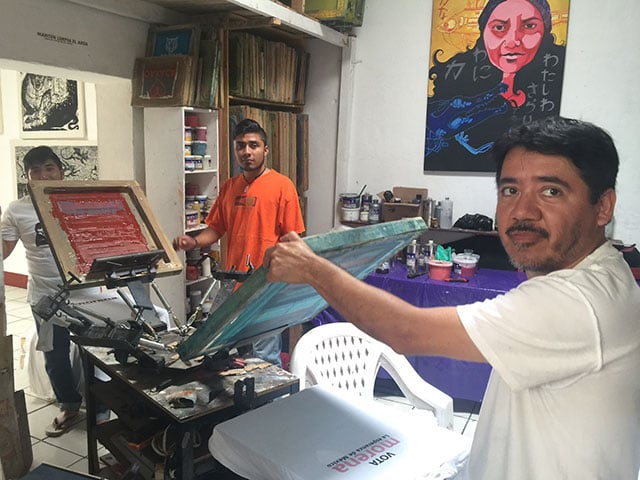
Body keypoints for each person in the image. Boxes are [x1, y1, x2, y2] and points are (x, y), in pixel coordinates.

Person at [265, 117, 640, 478]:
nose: (522, 211)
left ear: (602, 206)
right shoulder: (603, 274)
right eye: (510, 190)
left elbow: (404, 331)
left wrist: (313, 268)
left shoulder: (578, 301)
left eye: (551, 191)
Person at [174, 119, 305, 366]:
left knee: (263, 354)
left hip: (265, 282)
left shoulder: (282, 186)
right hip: (230, 280)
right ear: (235, 150)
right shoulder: (229, 188)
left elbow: (293, 238)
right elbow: (215, 229)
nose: (247, 152)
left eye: (253, 145)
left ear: (265, 149)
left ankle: (270, 402)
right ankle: (231, 401)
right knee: (214, 341)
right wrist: (193, 241)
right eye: (241, 146)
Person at [1, 146, 88, 437]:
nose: (42, 175)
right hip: (44, 297)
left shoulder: (80, 201)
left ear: (61, 172)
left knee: (98, 351)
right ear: (27, 178)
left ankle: (103, 408)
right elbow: (4, 249)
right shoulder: (17, 209)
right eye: (34, 171)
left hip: (85, 293)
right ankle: (69, 405)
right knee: (55, 354)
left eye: (49, 168)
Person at [426, 0, 566, 172]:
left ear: (544, 32)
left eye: (529, 26)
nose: (512, 41)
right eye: (499, 28)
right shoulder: (451, 91)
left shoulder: (553, 99)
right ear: (483, 33)